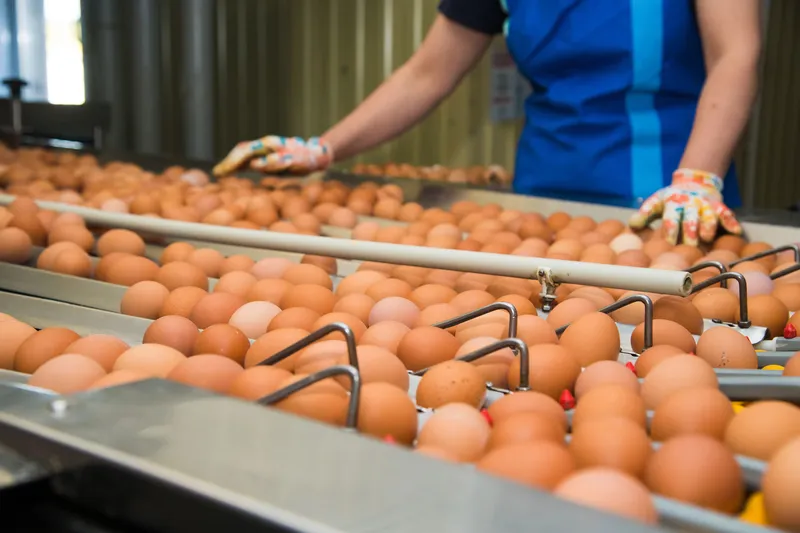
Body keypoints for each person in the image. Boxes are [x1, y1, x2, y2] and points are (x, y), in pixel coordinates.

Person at [214, 0, 761, 246]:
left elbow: (735, 55)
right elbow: (427, 73)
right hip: (545, 195)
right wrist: (324, 148)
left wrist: (697, 177)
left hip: (671, 196)